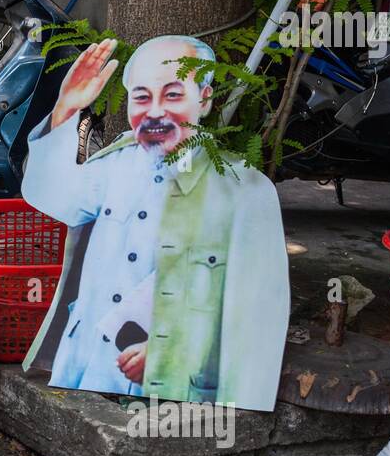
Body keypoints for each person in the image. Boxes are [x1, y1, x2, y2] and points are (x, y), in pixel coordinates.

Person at [20, 36, 290, 411]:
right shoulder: (112, 165)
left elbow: (256, 316)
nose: (155, 111)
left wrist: (172, 351)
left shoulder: (244, 190)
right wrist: (66, 108)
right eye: (142, 97)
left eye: (174, 95)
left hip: (178, 394)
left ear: (205, 98)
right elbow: (51, 196)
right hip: (86, 368)